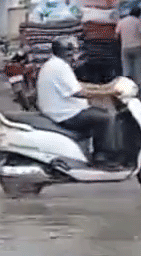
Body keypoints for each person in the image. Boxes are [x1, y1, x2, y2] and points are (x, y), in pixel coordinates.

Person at [36, 37, 121, 167]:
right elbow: (80, 93)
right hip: (65, 114)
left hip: (61, 110)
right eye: (73, 52)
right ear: (67, 52)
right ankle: (103, 158)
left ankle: (92, 150)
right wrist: (109, 93)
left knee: (98, 111)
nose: (75, 56)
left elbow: (77, 86)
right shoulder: (60, 67)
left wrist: (104, 87)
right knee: (106, 117)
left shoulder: (55, 64)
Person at [116, 6, 141, 85]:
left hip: (125, 48)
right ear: (138, 14)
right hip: (137, 47)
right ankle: (138, 85)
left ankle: (127, 84)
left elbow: (117, 34)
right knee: (138, 67)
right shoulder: (137, 21)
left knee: (126, 67)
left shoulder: (122, 21)